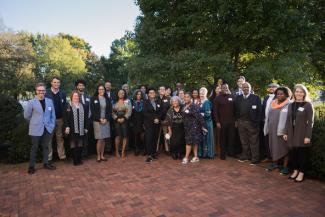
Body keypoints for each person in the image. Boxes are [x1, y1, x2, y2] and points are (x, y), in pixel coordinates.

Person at [284, 84, 314, 182]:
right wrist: (285, 132)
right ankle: (295, 170)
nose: (299, 93)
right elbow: (288, 120)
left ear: (304, 93)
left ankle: (301, 173)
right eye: (297, 91)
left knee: (302, 155)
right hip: (291, 133)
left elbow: (310, 122)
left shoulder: (308, 105)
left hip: (302, 134)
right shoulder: (291, 104)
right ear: (294, 93)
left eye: (301, 92)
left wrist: (308, 136)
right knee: (293, 154)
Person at [24, 83, 56, 174]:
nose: (41, 92)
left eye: (43, 90)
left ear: (45, 91)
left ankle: (46, 163)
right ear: (36, 91)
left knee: (46, 146)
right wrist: (34, 122)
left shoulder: (49, 101)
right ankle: (31, 166)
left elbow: (52, 115)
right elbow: (27, 116)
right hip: (35, 129)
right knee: (34, 147)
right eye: (39, 90)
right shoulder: (31, 102)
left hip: (48, 128)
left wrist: (52, 125)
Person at [264, 87, 291, 174]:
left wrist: (286, 131)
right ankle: (274, 163)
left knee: (284, 148)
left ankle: (285, 167)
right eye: (278, 94)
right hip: (272, 129)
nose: (279, 95)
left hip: (282, 131)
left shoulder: (289, 104)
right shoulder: (273, 102)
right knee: (273, 146)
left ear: (286, 95)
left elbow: (290, 119)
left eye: (281, 94)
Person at [235, 82, 262, 165]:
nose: (246, 89)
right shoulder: (238, 98)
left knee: (254, 141)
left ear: (250, 88)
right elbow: (236, 110)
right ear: (241, 89)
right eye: (244, 87)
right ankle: (246, 155)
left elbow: (260, 111)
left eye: (247, 87)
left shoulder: (256, 98)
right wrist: (237, 120)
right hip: (241, 122)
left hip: (252, 123)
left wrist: (256, 122)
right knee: (244, 141)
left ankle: (255, 158)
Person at [63, 91, 89, 166]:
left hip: (81, 128)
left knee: (80, 144)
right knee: (73, 144)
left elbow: (86, 118)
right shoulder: (68, 105)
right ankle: (75, 160)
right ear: (71, 97)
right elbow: (65, 118)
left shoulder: (83, 106)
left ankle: (79, 159)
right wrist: (67, 127)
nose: (76, 97)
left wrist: (86, 127)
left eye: (77, 96)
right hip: (72, 128)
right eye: (74, 96)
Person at [45, 76, 67, 162]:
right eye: (54, 82)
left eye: (58, 82)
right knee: (49, 139)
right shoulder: (46, 93)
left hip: (60, 119)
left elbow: (64, 106)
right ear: (51, 83)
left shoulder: (62, 93)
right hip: (49, 120)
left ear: (60, 83)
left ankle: (62, 156)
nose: (56, 84)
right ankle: (49, 157)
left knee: (60, 138)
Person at [182, 92, 206, 164]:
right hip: (187, 127)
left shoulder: (194, 106)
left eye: (187, 97)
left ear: (190, 98)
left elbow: (199, 116)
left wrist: (203, 125)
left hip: (194, 127)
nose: (186, 98)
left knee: (189, 142)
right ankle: (196, 157)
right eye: (185, 97)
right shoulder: (184, 106)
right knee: (194, 142)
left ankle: (186, 157)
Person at [213, 83, 236, 160]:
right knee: (223, 139)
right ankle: (223, 154)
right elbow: (215, 111)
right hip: (222, 122)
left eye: (226, 87)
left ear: (228, 88)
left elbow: (236, 109)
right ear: (221, 89)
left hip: (232, 121)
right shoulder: (217, 98)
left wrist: (236, 120)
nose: (225, 89)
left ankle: (231, 153)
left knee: (231, 138)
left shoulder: (232, 97)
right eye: (223, 88)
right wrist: (217, 122)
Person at [90, 84, 112, 162]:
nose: (101, 90)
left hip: (106, 121)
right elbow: (93, 112)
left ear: (104, 90)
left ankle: (102, 155)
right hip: (97, 121)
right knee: (100, 139)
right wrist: (100, 119)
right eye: (100, 89)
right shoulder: (93, 99)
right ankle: (98, 156)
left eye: (102, 89)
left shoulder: (107, 99)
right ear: (97, 90)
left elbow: (109, 111)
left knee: (104, 139)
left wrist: (106, 119)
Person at [143, 88, 161, 163]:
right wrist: (154, 118)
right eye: (150, 92)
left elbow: (161, 111)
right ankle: (149, 155)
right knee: (149, 138)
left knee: (155, 138)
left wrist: (158, 118)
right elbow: (145, 113)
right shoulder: (145, 102)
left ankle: (154, 153)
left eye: (153, 92)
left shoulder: (158, 101)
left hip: (157, 123)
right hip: (149, 123)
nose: (152, 93)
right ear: (148, 94)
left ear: (155, 93)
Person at [112, 89, 132, 159]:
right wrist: (117, 118)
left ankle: (123, 151)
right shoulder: (114, 102)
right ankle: (117, 151)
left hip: (125, 120)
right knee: (118, 136)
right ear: (117, 94)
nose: (121, 94)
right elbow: (112, 112)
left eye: (123, 93)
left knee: (125, 136)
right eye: (120, 93)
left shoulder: (128, 101)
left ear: (124, 94)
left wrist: (124, 118)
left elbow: (129, 111)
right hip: (116, 120)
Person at [262, 83, 279, 161]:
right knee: (266, 139)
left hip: (274, 123)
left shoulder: (279, 98)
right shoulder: (266, 97)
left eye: (274, 87)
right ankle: (268, 157)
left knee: (274, 141)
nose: (272, 88)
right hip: (266, 122)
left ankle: (274, 158)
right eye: (270, 87)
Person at [75, 79, 91, 159]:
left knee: (86, 137)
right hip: (77, 120)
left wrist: (89, 118)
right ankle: (78, 154)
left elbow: (90, 109)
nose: (81, 87)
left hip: (87, 120)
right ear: (77, 86)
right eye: (79, 85)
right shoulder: (74, 96)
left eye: (82, 85)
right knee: (78, 137)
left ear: (84, 87)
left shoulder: (87, 96)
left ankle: (85, 154)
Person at [198, 87, 215, 158]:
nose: (201, 95)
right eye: (200, 93)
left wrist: (199, 114)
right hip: (201, 123)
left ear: (206, 94)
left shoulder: (207, 102)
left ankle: (209, 154)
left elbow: (208, 113)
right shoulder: (199, 102)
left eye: (203, 93)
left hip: (207, 123)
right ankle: (202, 154)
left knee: (208, 138)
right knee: (202, 138)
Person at [131, 90, 145, 155]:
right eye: (137, 94)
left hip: (142, 121)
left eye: (140, 94)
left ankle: (143, 149)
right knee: (136, 136)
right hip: (135, 121)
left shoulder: (144, 102)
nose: (139, 95)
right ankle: (136, 149)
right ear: (135, 95)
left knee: (142, 136)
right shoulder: (132, 102)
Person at [157, 86, 171, 153]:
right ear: (158, 91)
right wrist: (157, 119)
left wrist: (166, 119)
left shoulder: (168, 99)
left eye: (163, 89)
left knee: (166, 135)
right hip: (157, 121)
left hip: (165, 121)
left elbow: (170, 110)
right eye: (160, 89)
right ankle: (156, 149)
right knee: (157, 136)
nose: (162, 90)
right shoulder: (155, 99)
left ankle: (167, 149)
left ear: (165, 90)